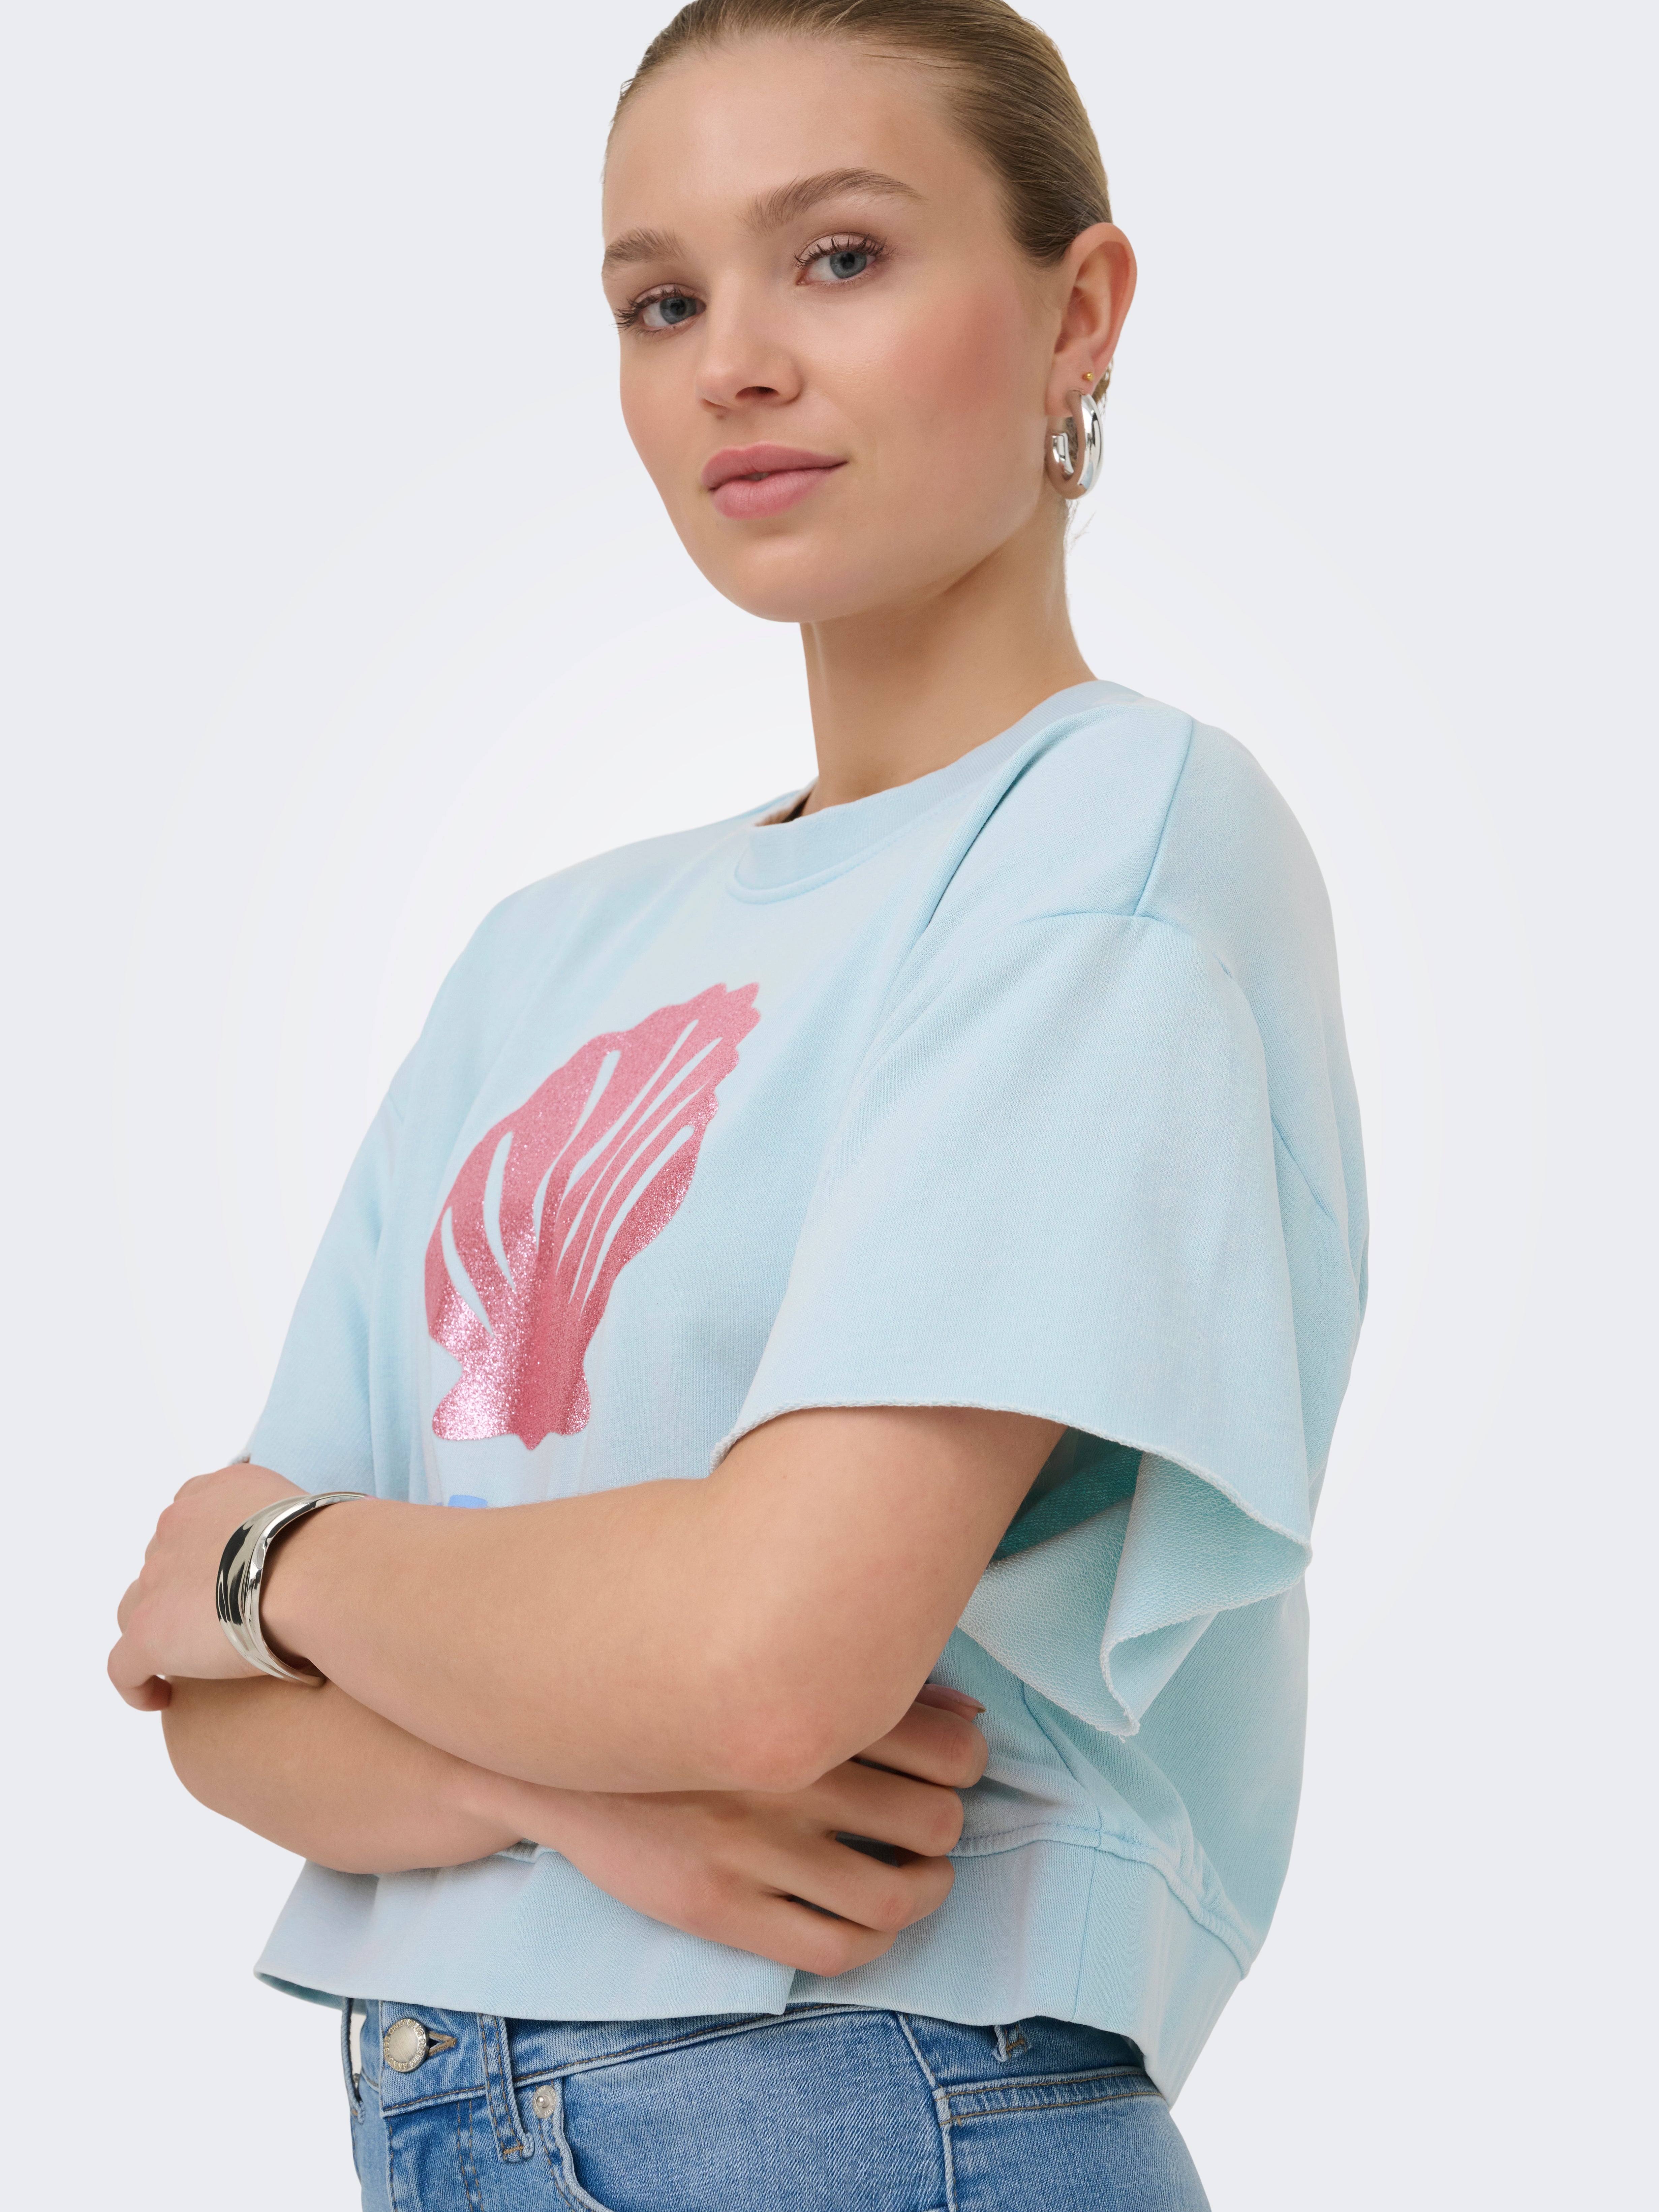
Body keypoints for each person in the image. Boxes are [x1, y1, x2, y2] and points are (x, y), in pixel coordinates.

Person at [108, 3, 1367, 2205]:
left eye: (841, 258)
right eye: (661, 301)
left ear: (1080, 312)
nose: (734, 365)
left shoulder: (1118, 834)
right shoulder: (542, 951)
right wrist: (575, 1796)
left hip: (855, 2106)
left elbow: (764, 1657)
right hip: (459, 2117)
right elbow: (206, 1704)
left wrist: (282, 1560)